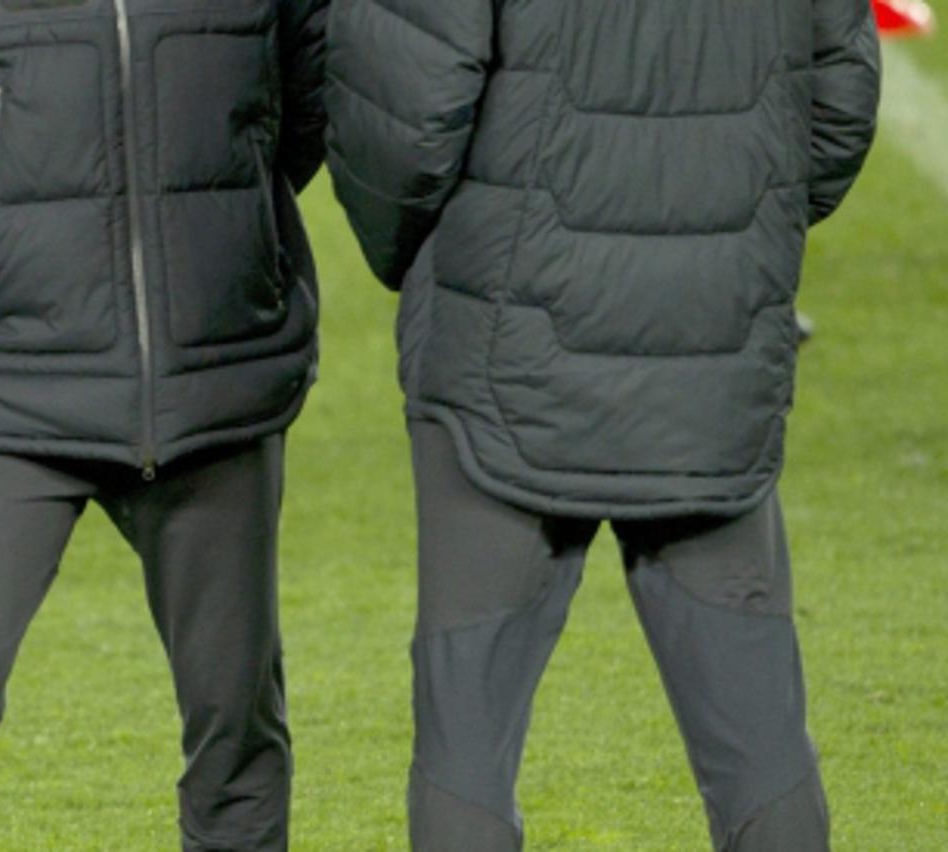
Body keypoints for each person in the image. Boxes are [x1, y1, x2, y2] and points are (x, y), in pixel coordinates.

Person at [325, 0, 879, 849]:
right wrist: (724, 238)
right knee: (760, 740)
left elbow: (398, 110)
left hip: (500, 358)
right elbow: (840, 101)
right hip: (708, 352)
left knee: (466, 744)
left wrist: (435, 254)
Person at [0, 0, 327, 848]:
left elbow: (306, 90)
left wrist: (218, 230)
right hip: (12, 381)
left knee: (235, 708)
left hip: (211, 379)